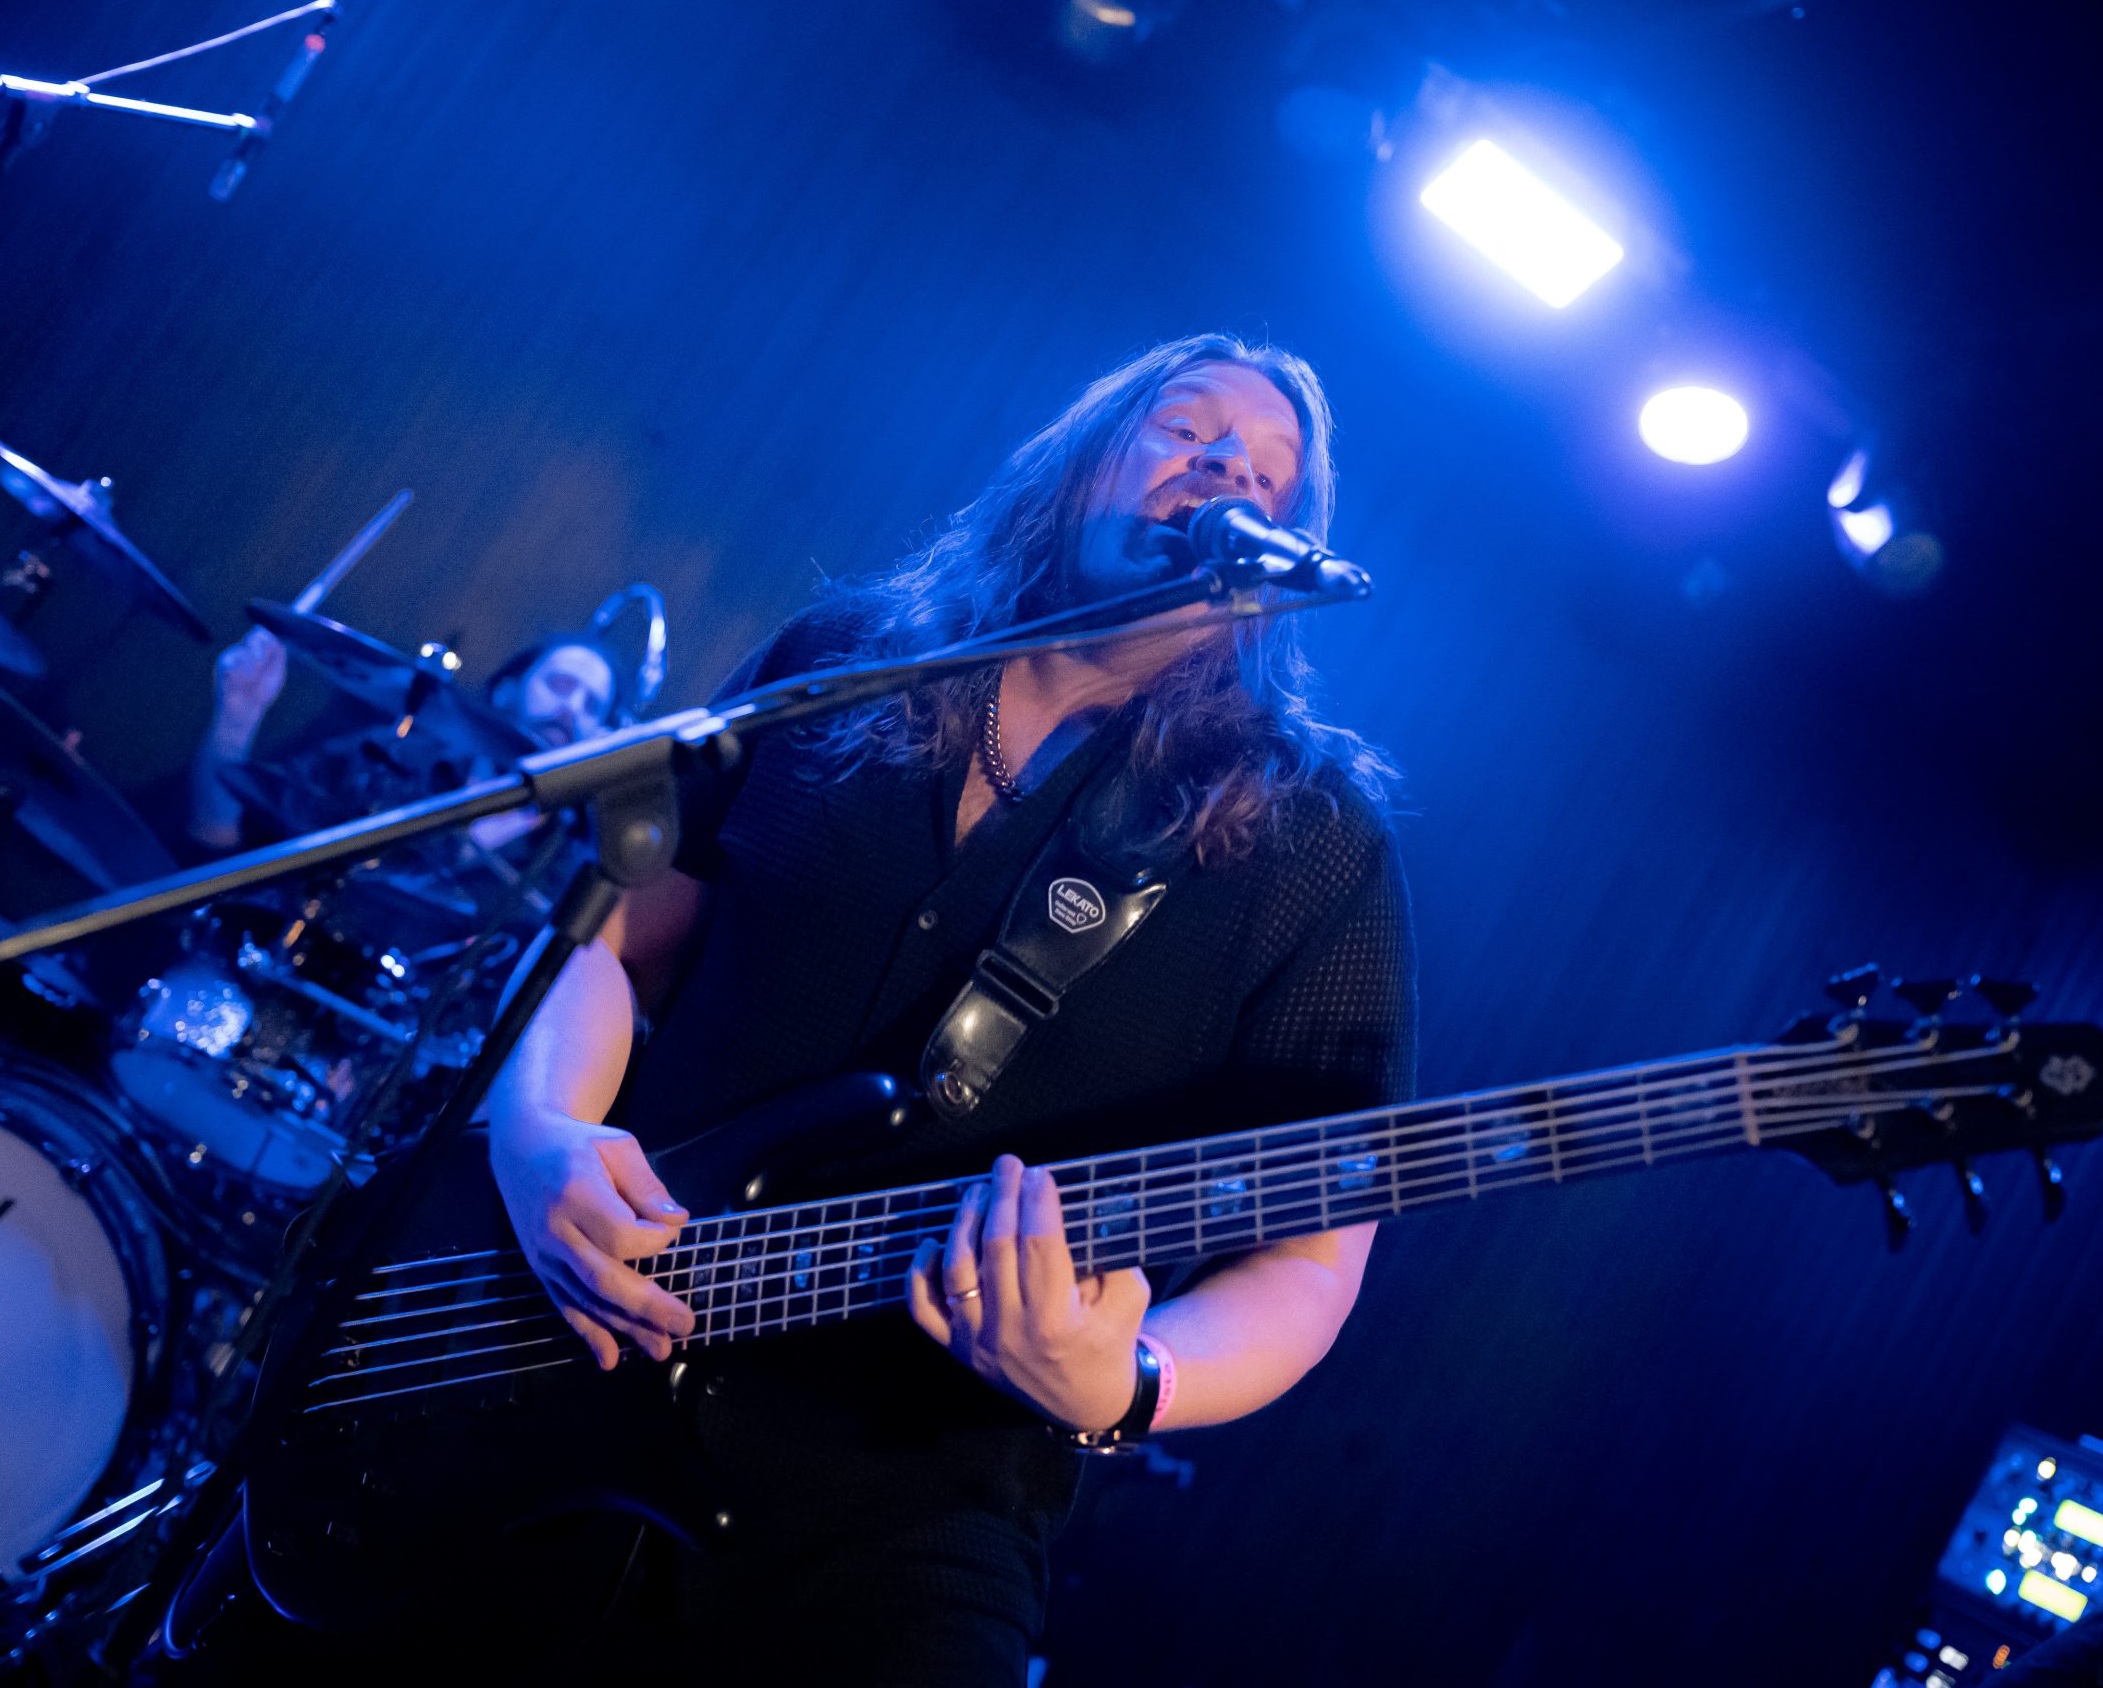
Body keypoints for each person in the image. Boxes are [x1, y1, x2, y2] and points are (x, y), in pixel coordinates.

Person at [481, 331, 1415, 1683]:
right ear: (1083, 457)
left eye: (1270, 474)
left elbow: (1314, 1247)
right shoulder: (846, 659)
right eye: (1186, 427)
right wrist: (539, 1134)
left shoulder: (1312, 840)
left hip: (906, 1517)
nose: (1226, 468)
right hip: (556, 1364)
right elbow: (616, 940)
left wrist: (1131, 1380)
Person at [183, 624, 621, 852]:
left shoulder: (562, 859)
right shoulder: (393, 758)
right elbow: (216, 835)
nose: (571, 709)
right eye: (560, 685)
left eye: (591, 705)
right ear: (506, 691)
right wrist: (237, 717)